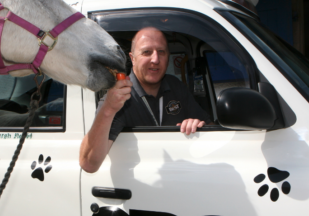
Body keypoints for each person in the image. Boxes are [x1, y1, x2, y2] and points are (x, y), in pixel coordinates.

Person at [80, 27, 211, 173]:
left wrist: (198, 125)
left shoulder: (175, 86)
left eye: (161, 52)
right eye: (147, 52)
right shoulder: (119, 99)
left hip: (180, 176)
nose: (155, 59)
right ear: (132, 58)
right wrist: (108, 110)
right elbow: (89, 164)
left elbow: (210, 129)